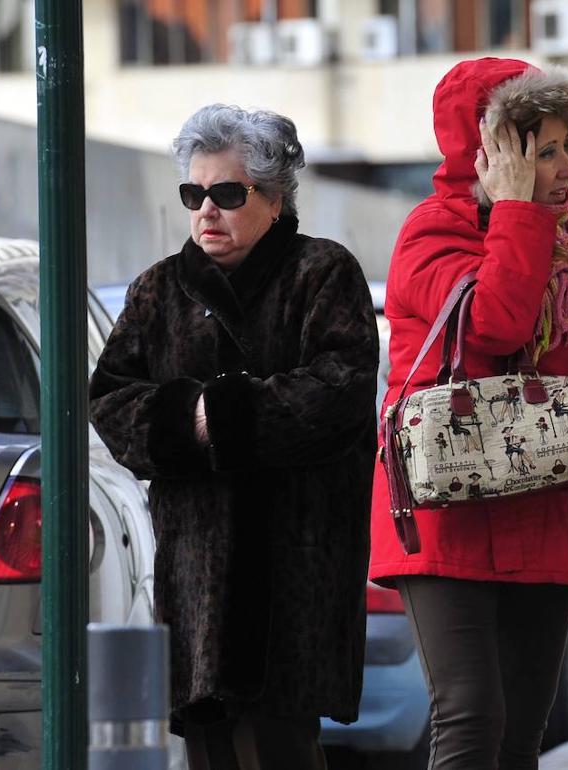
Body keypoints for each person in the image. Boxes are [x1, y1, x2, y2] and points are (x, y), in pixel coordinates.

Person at [368, 59, 568, 769]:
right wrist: (516, 214)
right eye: (546, 151)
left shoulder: (564, 242)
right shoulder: (433, 231)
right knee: (472, 715)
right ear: (493, 153)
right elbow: (497, 326)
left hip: (546, 507)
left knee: (519, 737)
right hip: (451, 509)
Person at [89, 104, 380, 769]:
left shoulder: (322, 274)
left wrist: (216, 417)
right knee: (211, 745)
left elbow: (337, 392)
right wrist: (186, 420)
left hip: (295, 570)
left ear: (274, 198)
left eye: (226, 193)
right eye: (194, 194)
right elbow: (109, 401)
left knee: (281, 743)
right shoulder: (160, 290)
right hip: (195, 572)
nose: (206, 211)